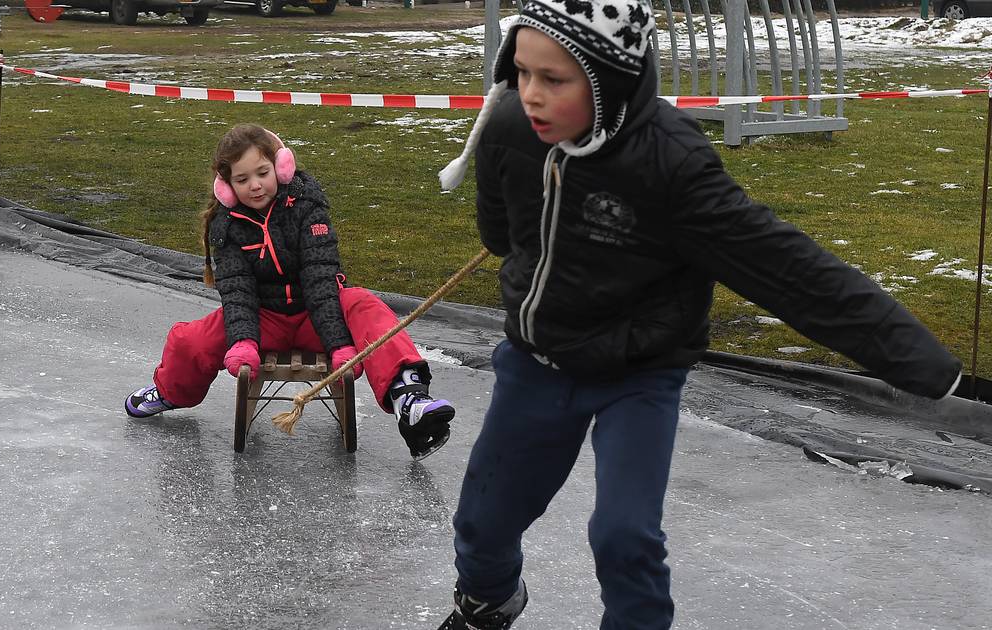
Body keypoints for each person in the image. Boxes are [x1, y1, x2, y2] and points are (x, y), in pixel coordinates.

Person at [433, 0, 963, 627]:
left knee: (623, 535)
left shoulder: (671, 164)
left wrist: (922, 362)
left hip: (639, 372)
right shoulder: (509, 125)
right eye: (521, 72)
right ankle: (489, 598)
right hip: (539, 361)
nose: (531, 95)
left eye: (554, 79)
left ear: (610, 78)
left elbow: (785, 267)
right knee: (483, 520)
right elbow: (501, 229)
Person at [124, 123, 454, 460]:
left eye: (262, 173)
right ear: (226, 187)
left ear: (281, 167)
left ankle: (408, 395)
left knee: (366, 305)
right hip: (264, 318)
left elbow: (320, 277)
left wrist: (339, 343)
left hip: (317, 315)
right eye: (242, 180)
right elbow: (238, 290)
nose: (254, 185)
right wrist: (243, 342)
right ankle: (170, 391)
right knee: (189, 340)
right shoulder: (226, 224)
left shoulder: (307, 205)